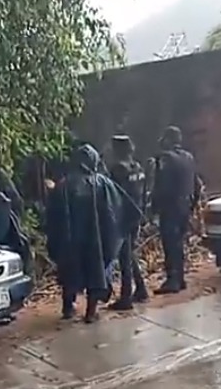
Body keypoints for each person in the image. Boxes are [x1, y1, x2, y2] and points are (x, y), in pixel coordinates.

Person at [45, 144, 139, 323]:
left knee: (69, 270)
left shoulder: (63, 185)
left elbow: (52, 215)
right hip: (96, 241)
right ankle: (91, 312)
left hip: (70, 240)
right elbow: (118, 209)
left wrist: (56, 238)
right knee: (96, 273)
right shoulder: (103, 183)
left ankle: (68, 307)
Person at [151, 126, 201, 294]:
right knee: (179, 244)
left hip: (170, 208)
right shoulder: (189, 157)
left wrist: (154, 208)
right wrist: (192, 205)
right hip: (185, 207)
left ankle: (172, 280)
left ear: (168, 139)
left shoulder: (165, 158)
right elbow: (197, 184)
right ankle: (180, 278)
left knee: (170, 244)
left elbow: (161, 186)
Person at [107, 134, 149, 310]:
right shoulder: (137, 167)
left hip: (123, 217)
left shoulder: (118, 169)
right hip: (136, 215)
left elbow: (113, 195)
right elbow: (144, 191)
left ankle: (126, 297)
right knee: (130, 253)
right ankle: (140, 288)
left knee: (124, 256)